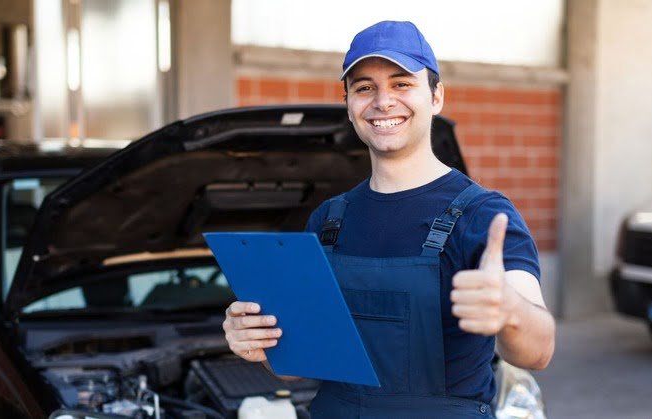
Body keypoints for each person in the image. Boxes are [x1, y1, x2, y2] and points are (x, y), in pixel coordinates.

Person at [222, 20, 555, 418]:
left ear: (436, 96)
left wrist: (510, 310)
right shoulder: (328, 222)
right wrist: (258, 344)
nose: (383, 101)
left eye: (402, 84)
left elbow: (539, 352)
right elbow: (296, 369)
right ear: (349, 105)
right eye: (365, 88)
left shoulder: (484, 215)